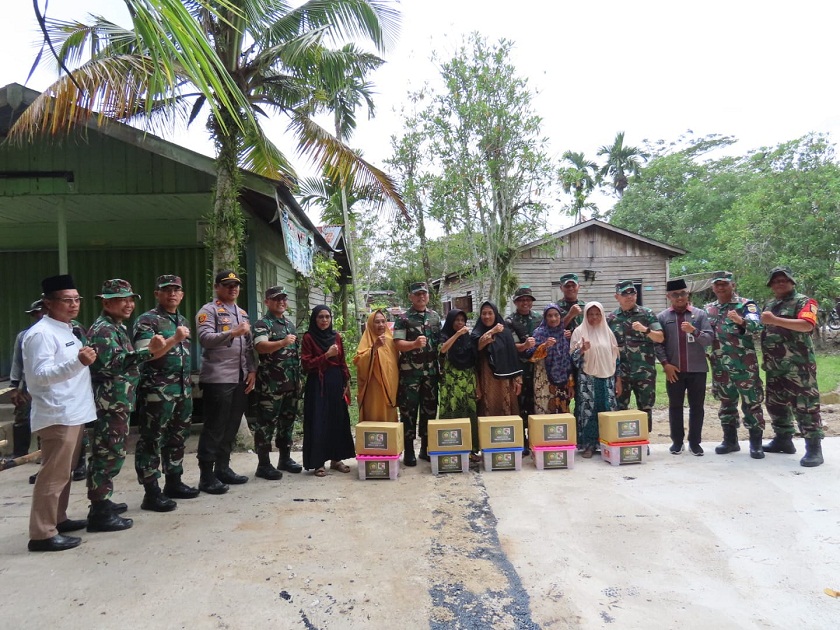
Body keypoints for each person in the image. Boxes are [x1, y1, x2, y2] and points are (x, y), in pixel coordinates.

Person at [22, 275, 96, 552]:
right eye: (67, 300)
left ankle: (58, 519)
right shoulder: (41, 334)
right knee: (52, 476)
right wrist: (78, 363)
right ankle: (42, 534)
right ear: (48, 303)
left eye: (77, 299)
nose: (74, 305)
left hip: (74, 412)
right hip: (57, 414)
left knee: (63, 474)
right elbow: (38, 377)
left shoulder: (67, 329)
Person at [88, 279, 166, 530]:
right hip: (111, 402)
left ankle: (103, 501)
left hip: (120, 400)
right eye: (123, 299)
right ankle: (100, 513)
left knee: (112, 452)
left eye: (131, 299)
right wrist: (147, 352)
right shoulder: (104, 330)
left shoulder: (116, 327)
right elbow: (110, 364)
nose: (129, 304)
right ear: (107, 302)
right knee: (108, 454)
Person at [133, 274, 199, 507]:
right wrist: (174, 338)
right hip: (157, 392)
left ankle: (174, 481)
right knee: (152, 440)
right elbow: (147, 354)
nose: (172, 293)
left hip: (181, 390)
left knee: (178, 437)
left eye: (176, 290)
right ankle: (151, 492)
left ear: (182, 294)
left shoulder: (181, 320)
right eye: (166, 289)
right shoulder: (147, 321)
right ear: (157, 294)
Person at [196, 270, 256, 493]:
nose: (233, 288)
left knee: (231, 426)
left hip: (240, 378)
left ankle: (223, 468)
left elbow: (248, 346)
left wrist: (252, 370)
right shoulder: (208, 311)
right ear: (217, 287)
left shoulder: (242, 313)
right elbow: (205, 339)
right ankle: (206, 475)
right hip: (218, 378)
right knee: (215, 426)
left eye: (236, 285)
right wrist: (232, 332)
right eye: (227, 285)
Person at [760, 266, 824, 467]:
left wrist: (775, 320)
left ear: (792, 282)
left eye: (784, 279)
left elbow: (807, 325)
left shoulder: (805, 302)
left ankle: (814, 448)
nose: (780, 283)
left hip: (799, 367)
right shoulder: (770, 304)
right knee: (775, 404)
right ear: (771, 285)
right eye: (776, 280)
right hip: (774, 366)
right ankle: (783, 440)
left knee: (805, 406)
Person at [704, 271, 766, 459]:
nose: (721, 287)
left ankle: (756, 444)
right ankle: (730, 441)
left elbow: (757, 326)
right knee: (726, 403)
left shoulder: (746, 304)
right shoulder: (709, 309)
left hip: (744, 366)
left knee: (751, 403)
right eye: (717, 284)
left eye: (725, 284)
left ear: (733, 285)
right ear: (713, 287)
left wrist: (740, 320)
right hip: (720, 366)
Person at [655, 279, 713, 456]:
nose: (679, 297)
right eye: (675, 294)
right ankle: (677, 442)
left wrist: (694, 331)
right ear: (668, 296)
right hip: (675, 370)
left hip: (697, 369)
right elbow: (658, 344)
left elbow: (709, 339)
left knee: (697, 407)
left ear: (687, 294)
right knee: (675, 406)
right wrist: (666, 365)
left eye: (682, 293)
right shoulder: (663, 317)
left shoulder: (700, 315)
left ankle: (695, 442)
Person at [252, 286, 303, 480]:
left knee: (287, 423)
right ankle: (263, 464)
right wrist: (281, 343)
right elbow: (261, 346)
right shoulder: (262, 324)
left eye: (283, 298)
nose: (281, 301)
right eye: (276, 299)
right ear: (267, 302)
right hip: (270, 386)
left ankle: (285, 458)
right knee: (266, 425)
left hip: (291, 384)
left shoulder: (289, 325)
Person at [300, 305, 355, 477]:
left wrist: (347, 383)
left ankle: (336, 459)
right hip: (318, 384)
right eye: (320, 317)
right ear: (314, 319)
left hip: (335, 381)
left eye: (327, 317)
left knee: (337, 419)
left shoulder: (336, 336)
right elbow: (306, 365)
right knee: (318, 420)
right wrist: (326, 356)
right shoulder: (308, 338)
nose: (324, 320)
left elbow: (342, 361)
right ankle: (318, 462)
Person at [393, 282, 442, 465]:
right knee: (408, 412)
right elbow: (397, 343)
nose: (421, 297)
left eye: (424, 294)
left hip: (430, 374)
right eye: (417, 294)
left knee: (429, 410)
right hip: (410, 374)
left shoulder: (435, 317)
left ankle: (425, 449)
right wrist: (413, 344)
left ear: (428, 296)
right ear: (411, 297)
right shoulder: (403, 318)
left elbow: (440, 343)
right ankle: (409, 451)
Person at [607, 280, 664, 437]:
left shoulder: (647, 314)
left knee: (645, 408)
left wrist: (645, 330)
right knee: (619, 408)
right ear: (616, 296)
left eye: (632, 293)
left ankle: (643, 441)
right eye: (625, 294)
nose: (629, 296)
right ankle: (621, 441)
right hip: (621, 374)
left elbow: (660, 338)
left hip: (644, 373)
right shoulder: (612, 318)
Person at [570, 302, 621, 457]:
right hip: (588, 379)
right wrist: (582, 350)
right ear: (585, 315)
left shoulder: (608, 332)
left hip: (608, 379)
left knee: (607, 410)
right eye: (590, 314)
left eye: (597, 314)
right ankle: (588, 446)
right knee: (588, 412)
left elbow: (616, 359)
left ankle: (606, 444)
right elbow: (572, 358)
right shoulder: (579, 332)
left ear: (602, 315)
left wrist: (618, 379)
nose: (594, 317)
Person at [438, 308, 479, 460]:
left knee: (469, 414)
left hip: (468, 381)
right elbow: (442, 350)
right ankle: (449, 449)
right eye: (457, 320)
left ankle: (471, 450)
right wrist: (456, 335)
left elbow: (474, 361)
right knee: (452, 412)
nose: (460, 323)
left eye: (462, 320)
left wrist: (478, 385)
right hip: (451, 383)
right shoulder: (444, 335)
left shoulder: (468, 337)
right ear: (450, 321)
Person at [471, 301, 525, 417]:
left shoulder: (505, 332)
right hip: (486, 378)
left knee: (506, 407)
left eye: (490, 313)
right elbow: (479, 345)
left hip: (506, 380)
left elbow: (512, 356)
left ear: (495, 314)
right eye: (484, 313)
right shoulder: (477, 332)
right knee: (488, 407)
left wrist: (518, 379)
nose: (487, 316)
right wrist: (493, 331)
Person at [506, 287, 539, 454]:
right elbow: (511, 346)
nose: (525, 303)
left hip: (538, 369)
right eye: (521, 300)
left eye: (528, 300)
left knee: (536, 403)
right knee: (519, 404)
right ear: (515, 302)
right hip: (519, 369)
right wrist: (525, 346)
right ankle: (521, 440)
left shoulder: (540, 318)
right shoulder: (510, 321)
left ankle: (535, 438)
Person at [10, 299, 44, 459]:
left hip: (46, 384)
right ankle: (19, 453)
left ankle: (42, 455)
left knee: (45, 420)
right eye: (37, 312)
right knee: (22, 417)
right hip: (28, 385)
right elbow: (17, 362)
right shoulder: (24, 336)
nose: (41, 315)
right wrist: (14, 387)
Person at [525, 304, 572, 414]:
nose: (553, 319)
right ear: (545, 318)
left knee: (562, 414)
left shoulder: (564, 334)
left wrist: (570, 384)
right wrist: (545, 346)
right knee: (544, 412)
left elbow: (568, 361)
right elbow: (531, 357)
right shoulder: (539, 333)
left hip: (562, 381)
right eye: (549, 316)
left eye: (556, 315)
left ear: (560, 317)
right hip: (544, 380)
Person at [354, 309, 399, 423]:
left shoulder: (391, 341)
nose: (381, 325)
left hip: (391, 387)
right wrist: (374, 348)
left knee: (390, 420)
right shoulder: (367, 340)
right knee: (374, 416)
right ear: (370, 324)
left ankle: (391, 440)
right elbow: (359, 361)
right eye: (377, 322)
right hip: (374, 388)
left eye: (383, 321)